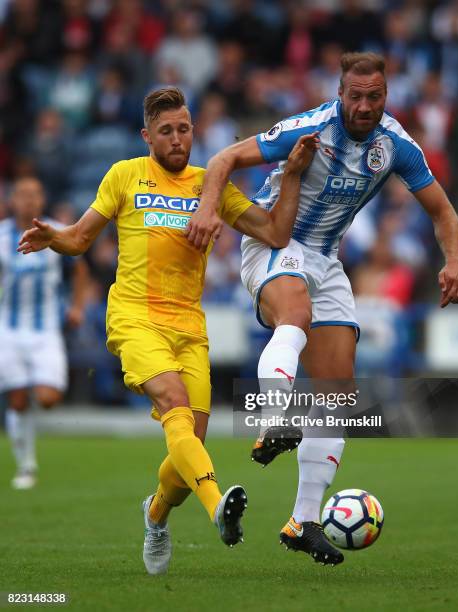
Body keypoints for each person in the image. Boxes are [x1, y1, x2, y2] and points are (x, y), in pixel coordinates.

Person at [17, 87, 318, 575]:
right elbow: (79, 238)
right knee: (175, 403)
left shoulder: (210, 186)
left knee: (188, 447)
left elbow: (276, 234)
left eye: (184, 129)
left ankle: (155, 514)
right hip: (134, 317)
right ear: (146, 136)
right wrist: (55, 238)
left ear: (193, 130)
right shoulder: (125, 175)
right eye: (166, 131)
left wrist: (295, 176)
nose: (177, 139)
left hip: (189, 326)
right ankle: (219, 505)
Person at [185, 52, 458, 566]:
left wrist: (455, 260)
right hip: (275, 243)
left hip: (326, 259)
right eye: (354, 96)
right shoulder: (309, 128)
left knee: (337, 396)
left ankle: (303, 521)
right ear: (339, 93)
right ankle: (275, 416)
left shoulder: (395, 145)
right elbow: (223, 159)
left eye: (374, 97)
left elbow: (443, 210)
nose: (363, 106)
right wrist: (208, 209)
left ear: (386, 95)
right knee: (295, 315)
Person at [0, 177, 89, 490]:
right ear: (12, 200)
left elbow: (79, 269)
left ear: (42, 199)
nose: (28, 200)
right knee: (18, 397)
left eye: (34, 194)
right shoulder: (1, 237)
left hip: (46, 330)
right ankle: (26, 465)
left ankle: (28, 426)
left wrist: (77, 307)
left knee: (48, 397)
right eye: (22, 194)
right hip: (8, 329)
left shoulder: (57, 231)